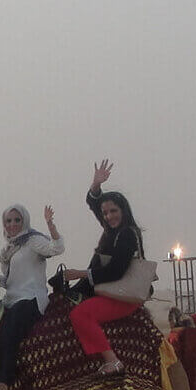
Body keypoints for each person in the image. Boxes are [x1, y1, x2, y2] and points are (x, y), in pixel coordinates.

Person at [63, 159, 144, 375]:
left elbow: (115, 271)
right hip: (109, 291)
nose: (109, 216)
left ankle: (113, 361)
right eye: (106, 213)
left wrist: (80, 274)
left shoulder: (126, 235)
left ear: (123, 210)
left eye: (113, 211)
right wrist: (95, 185)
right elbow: (94, 204)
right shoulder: (113, 231)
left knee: (80, 315)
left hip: (122, 296)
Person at [0, 204, 64, 390]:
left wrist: (50, 225)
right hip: (12, 300)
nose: (12, 224)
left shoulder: (33, 240)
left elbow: (57, 248)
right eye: (8, 221)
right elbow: (10, 281)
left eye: (17, 220)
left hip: (31, 299)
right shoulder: (7, 250)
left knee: (10, 332)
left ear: (24, 221)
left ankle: (4, 383)